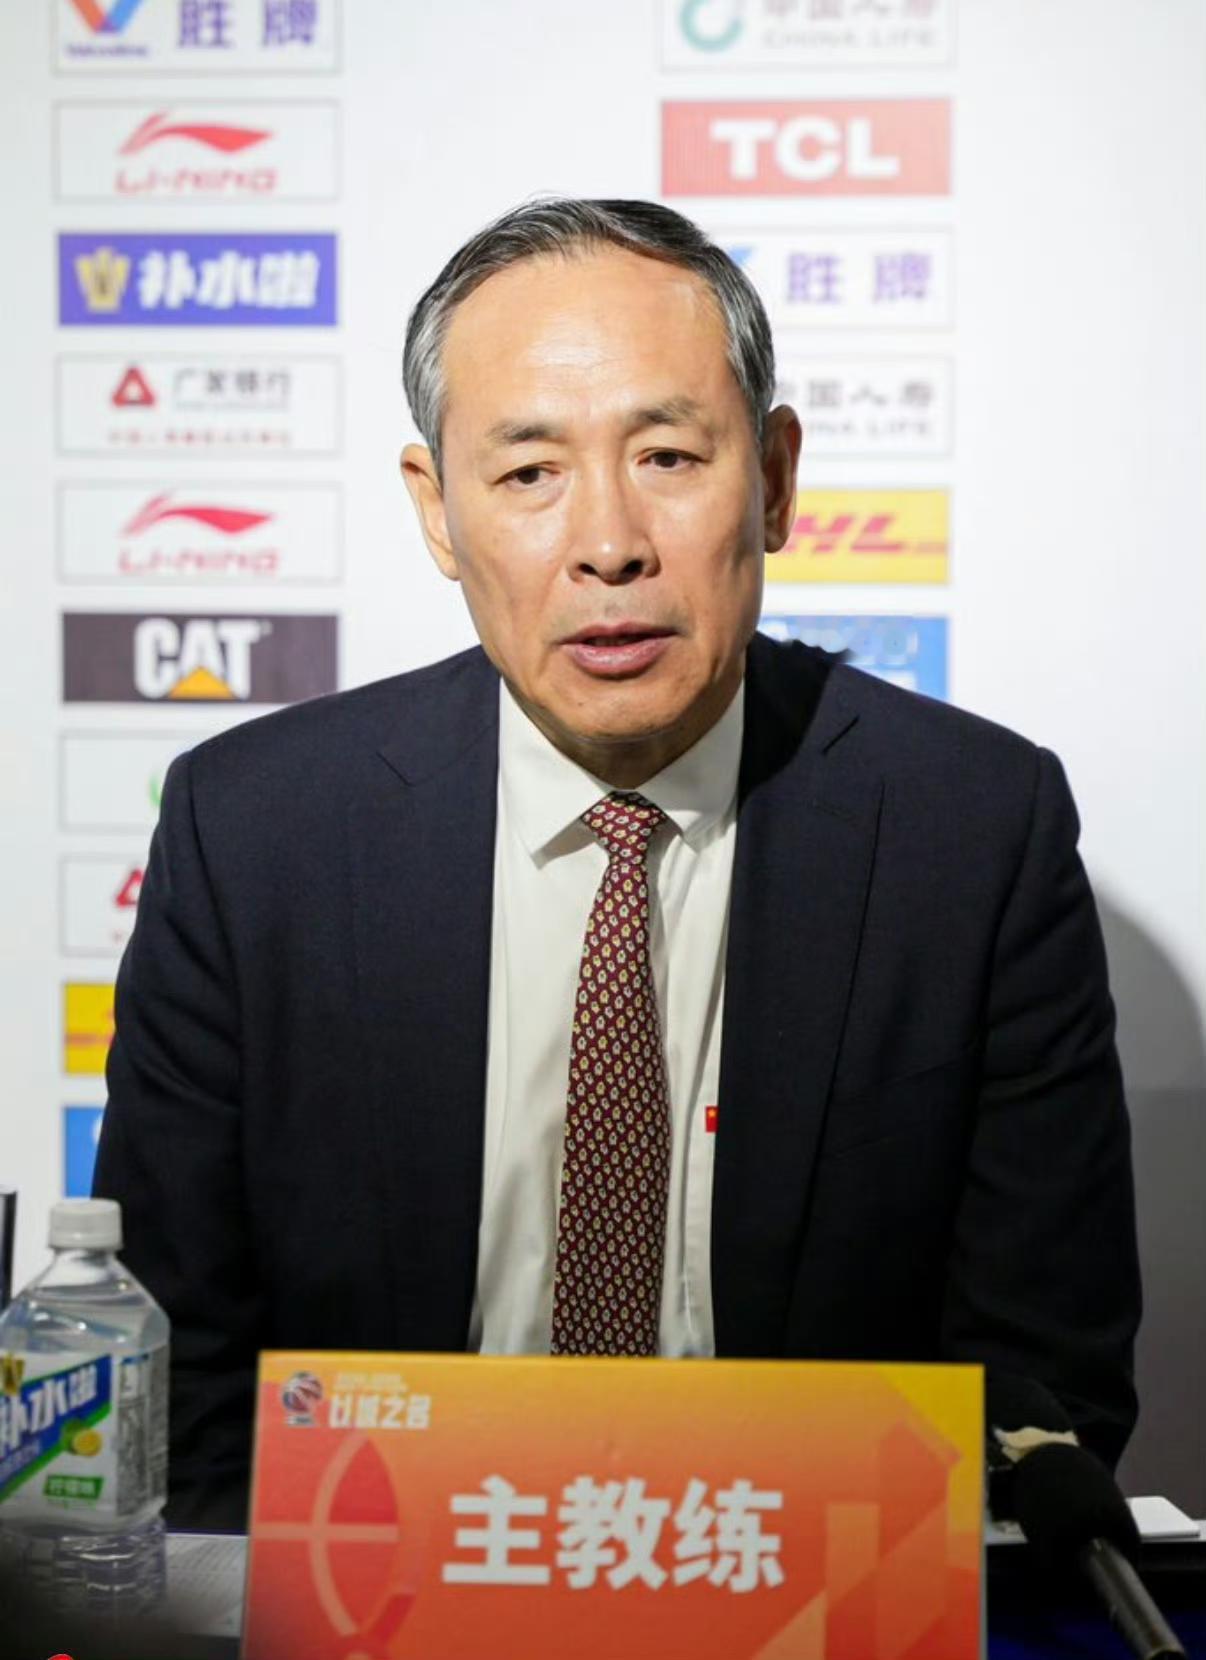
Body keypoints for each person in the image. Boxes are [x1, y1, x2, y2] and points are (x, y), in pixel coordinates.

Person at [94, 198, 1141, 1532]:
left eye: (667, 456)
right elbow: (171, 1384)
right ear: (436, 510)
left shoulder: (971, 831)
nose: (607, 543)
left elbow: (1038, 1389)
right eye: (529, 472)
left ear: (773, 478)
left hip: (804, 1585)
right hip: (379, 1586)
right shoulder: (255, 835)